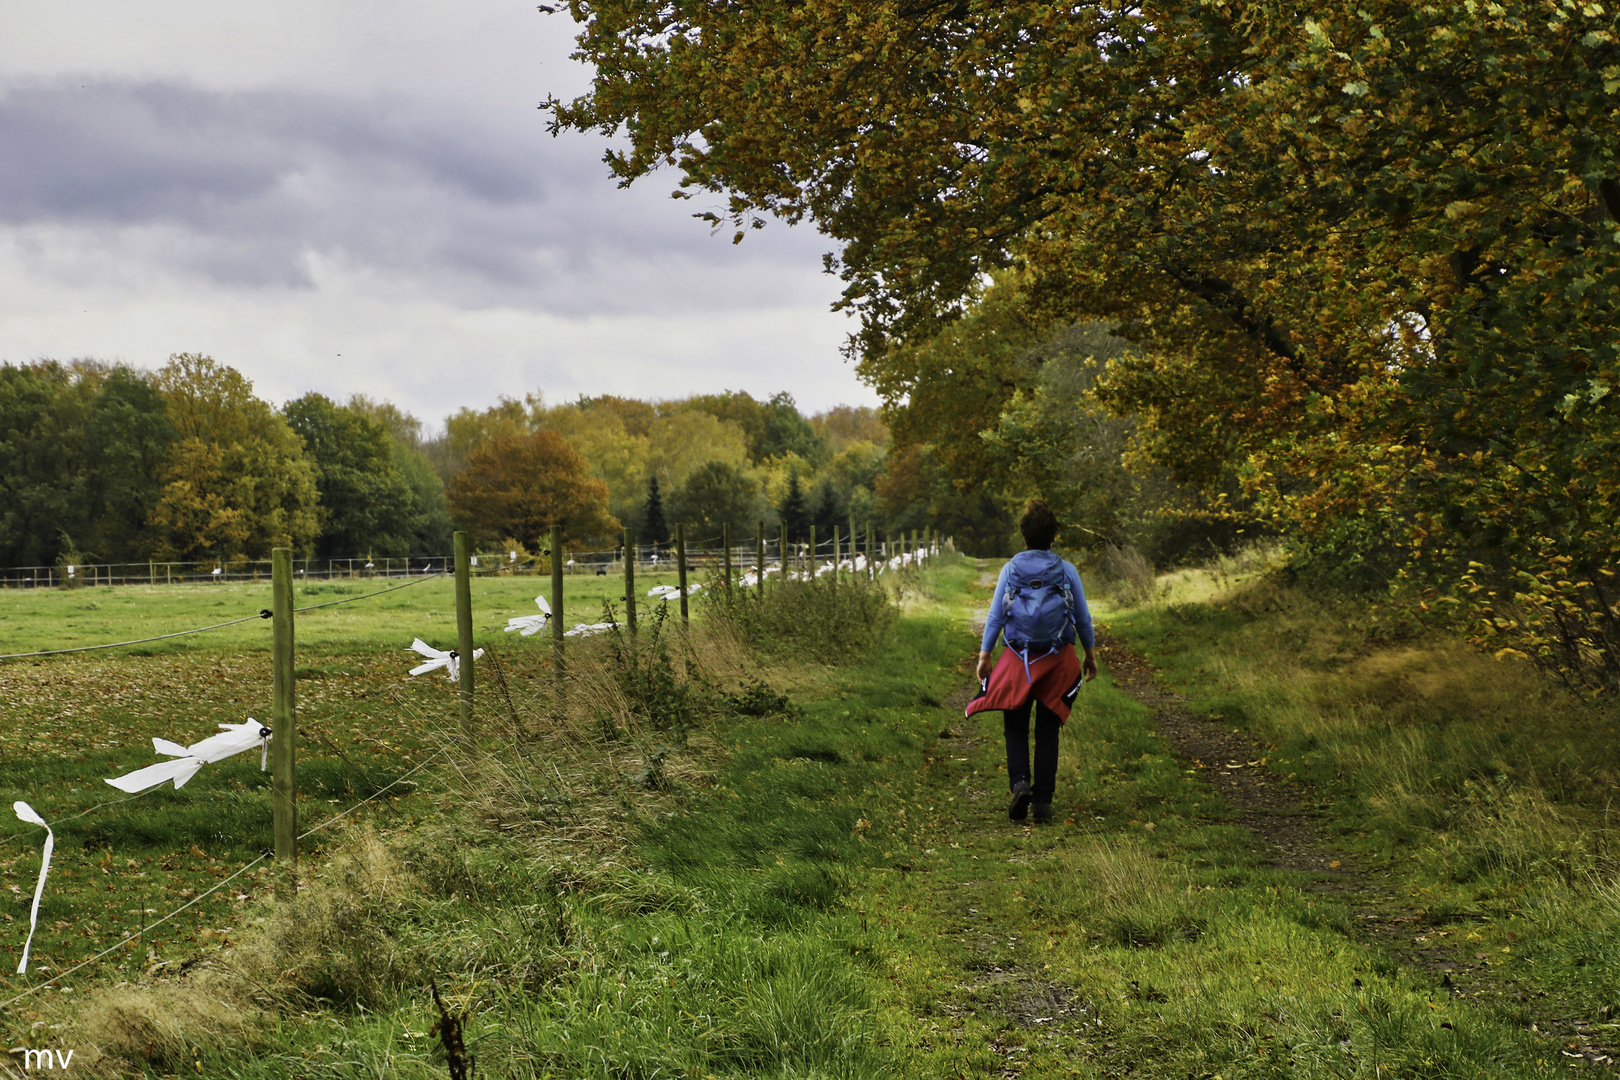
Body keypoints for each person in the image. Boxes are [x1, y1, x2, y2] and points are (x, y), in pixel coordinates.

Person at [965, 499, 1097, 824]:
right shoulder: (1066, 570)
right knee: (1048, 728)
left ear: (1023, 535)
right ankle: (1043, 804)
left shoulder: (1011, 568)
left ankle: (1020, 783)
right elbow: (1082, 617)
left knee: (1015, 724)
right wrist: (1090, 654)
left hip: (1018, 656)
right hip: (1057, 657)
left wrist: (985, 655)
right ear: (1054, 536)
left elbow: (996, 615)